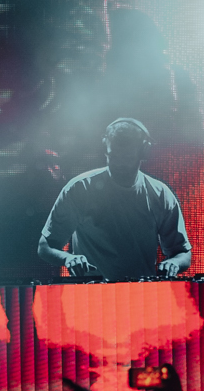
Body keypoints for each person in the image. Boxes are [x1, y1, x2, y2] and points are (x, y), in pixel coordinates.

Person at [36, 117, 192, 281]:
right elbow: (45, 246)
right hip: (90, 293)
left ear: (143, 153)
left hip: (141, 293)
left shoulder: (160, 194)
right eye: (113, 157)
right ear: (105, 150)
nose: (119, 164)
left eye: (127, 158)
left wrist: (174, 263)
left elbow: (182, 253)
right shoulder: (80, 189)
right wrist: (68, 258)